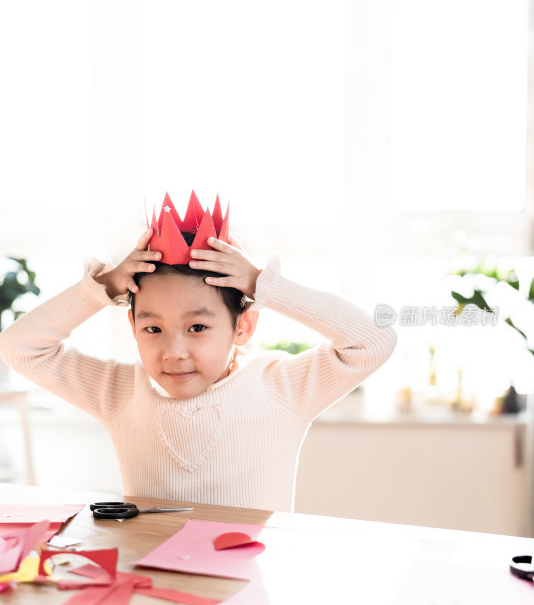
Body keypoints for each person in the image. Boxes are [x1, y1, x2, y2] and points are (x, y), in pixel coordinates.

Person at [0, 197, 397, 511]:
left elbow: (374, 340)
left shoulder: (281, 387)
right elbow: (20, 346)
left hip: (248, 592)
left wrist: (263, 284)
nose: (174, 352)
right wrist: (101, 287)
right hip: (155, 587)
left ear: (243, 327)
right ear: (133, 329)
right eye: (153, 329)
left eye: (198, 328)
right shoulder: (118, 391)